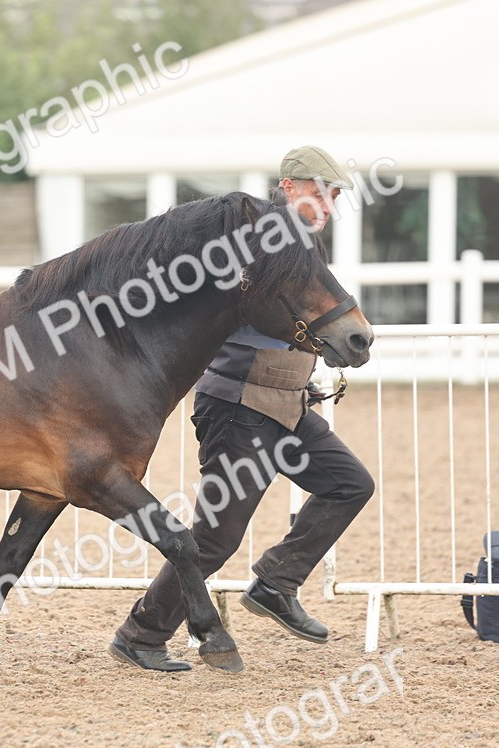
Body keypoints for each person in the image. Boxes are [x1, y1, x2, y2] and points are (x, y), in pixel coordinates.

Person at [108, 145, 376, 672]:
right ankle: (141, 634)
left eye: (335, 195)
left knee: (349, 484)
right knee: (215, 537)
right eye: (320, 192)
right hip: (240, 403)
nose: (329, 204)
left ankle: (276, 582)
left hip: (286, 403)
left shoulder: (303, 243)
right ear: (289, 187)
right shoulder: (256, 239)